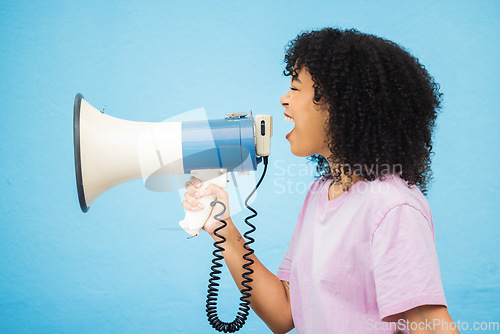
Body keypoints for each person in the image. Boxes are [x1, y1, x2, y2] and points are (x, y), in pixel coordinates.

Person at [182, 28, 458, 334]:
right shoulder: (321, 192)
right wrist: (223, 228)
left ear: (342, 105)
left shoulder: (393, 208)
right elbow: (284, 312)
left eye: (296, 88)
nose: (284, 100)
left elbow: (431, 326)